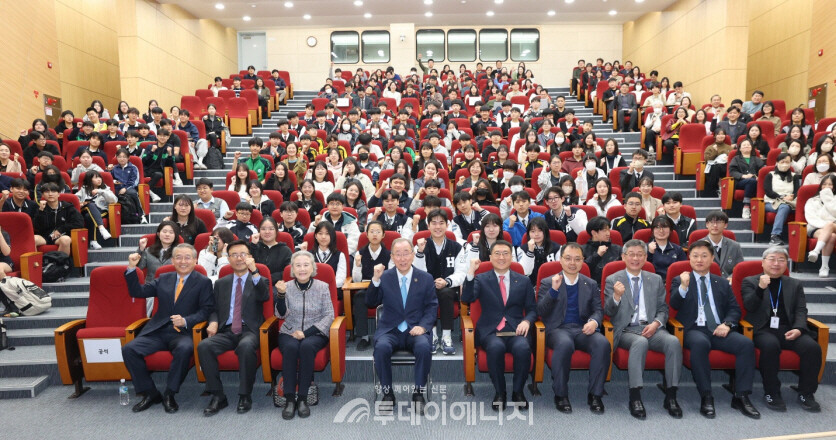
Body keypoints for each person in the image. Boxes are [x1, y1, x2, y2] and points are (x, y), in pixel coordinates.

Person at [670, 240, 760, 419]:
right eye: (695, 256)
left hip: (719, 329)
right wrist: (683, 286)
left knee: (746, 345)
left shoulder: (722, 282)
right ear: (689, 258)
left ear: (712, 259)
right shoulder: (680, 279)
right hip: (693, 329)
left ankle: (741, 396)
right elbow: (674, 303)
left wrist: (727, 324)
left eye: (704, 256)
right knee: (700, 344)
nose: (699, 260)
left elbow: (734, 309)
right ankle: (706, 396)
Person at [122, 245, 214, 413]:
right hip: (158, 330)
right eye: (178, 257)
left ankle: (169, 393)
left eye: (187, 257)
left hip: (183, 333)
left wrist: (186, 321)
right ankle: (150, 393)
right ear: (172, 260)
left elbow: (206, 310)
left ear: (195, 261)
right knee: (129, 349)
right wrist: (131, 268)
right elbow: (138, 291)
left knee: (185, 349)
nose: (183, 261)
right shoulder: (163, 278)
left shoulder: (203, 282)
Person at [604, 239, 683, 419]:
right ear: (623, 257)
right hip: (626, 330)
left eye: (640, 255)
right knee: (640, 342)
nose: (635, 258)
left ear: (646, 257)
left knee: (673, 342)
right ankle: (635, 397)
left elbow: (663, 309)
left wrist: (656, 324)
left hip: (652, 328)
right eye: (631, 254)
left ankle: (671, 396)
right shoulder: (613, 279)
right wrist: (616, 296)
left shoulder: (655, 279)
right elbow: (608, 311)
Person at [742, 246, 823, 412]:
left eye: (781, 260)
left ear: (786, 264)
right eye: (772, 259)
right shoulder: (750, 281)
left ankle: (806, 393)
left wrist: (799, 328)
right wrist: (760, 288)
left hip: (788, 328)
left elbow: (801, 310)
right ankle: (772, 392)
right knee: (770, 346)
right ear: (763, 262)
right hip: (762, 329)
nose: (776, 263)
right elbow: (750, 306)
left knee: (812, 348)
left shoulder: (794, 284)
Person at [197, 239, 269, 416]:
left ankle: (245, 395)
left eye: (243, 254)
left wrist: (254, 271)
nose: (239, 258)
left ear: (250, 257)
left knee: (245, 346)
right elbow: (213, 309)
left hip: (249, 330)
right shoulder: (221, 283)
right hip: (226, 330)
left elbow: (264, 296)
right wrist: (213, 321)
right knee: (204, 346)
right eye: (234, 255)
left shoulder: (259, 280)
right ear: (228, 259)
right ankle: (218, 395)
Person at [462, 241, 536, 411]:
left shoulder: (523, 280)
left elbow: (532, 309)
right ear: (490, 257)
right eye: (497, 253)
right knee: (495, 348)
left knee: (523, 348)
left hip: (516, 329)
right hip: (491, 330)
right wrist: (471, 272)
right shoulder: (481, 279)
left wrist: (527, 321)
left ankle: (518, 392)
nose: (501, 257)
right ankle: (500, 392)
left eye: (505, 253)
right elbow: (467, 298)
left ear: (511, 257)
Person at [367, 238, 437, 415]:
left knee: (423, 346)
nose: (402, 258)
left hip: (416, 329)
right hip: (390, 329)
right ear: (392, 257)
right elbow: (371, 302)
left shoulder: (426, 278)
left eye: (406, 253)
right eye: (398, 254)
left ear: (413, 255)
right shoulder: (385, 277)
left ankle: (418, 394)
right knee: (381, 348)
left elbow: (432, 307)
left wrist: (423, 327)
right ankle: (388, 394)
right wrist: (375, 279)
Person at [536, 242, 609, 413]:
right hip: (557, 330)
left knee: (602, 343)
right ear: (560, 260)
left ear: (583, 261)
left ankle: (595, 395)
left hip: (582, 329)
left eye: (577, 259)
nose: (572, 263)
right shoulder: (548, 282)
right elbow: (540, 311)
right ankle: (561, 395)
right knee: (565, 344)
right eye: (568, 258)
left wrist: (594, 322)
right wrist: (553, 291)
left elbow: (598, 310)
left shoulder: (590, 283)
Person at [273, 251, 334, 419]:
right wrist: (281, 295)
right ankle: (289, 399)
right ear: (292, 269)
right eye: (298, 265)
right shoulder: (286, 286)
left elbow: (329, 315)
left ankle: (302, 398)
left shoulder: (322, 287)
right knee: (291, 348)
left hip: (315, 332)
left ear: (312, 268)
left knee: (306, 346)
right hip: (289, 331)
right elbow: (280, 314)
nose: (302, 269)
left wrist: (306, 333)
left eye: (306, 265)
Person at [414, 210, 467, 355]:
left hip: (449, 288)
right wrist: (420, 253)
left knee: (445, 293)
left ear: (447, 225)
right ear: (428, 225)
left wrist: (447, 281)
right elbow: (416, 272)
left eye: (441, 223)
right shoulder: (420, 246)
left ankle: (446, 336)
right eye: (434, 223)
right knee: (429, 294)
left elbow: (462, 273)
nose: (438, 227)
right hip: (426, 288)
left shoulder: (456, 247)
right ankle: (432, 335)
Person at [33, 183, 82, 257]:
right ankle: (35, 263)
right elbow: (37, 226)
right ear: (43, 195)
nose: (50, 194)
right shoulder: (40, 208)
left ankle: (60, 264)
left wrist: (61, 230)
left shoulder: (68, 207)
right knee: (33, 239)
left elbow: (79, 223)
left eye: (53, 191)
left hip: (62, 236)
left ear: (58, 194)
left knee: (65, 240)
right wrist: (41, 211)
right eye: (47, 192)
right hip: (45, 236)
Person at [763, 153, 800, 246]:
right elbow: (768, 191)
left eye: (787, 162)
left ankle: (800, 237)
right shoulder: (770, 175)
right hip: (771, 202)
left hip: (790, 202)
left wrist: (792, 197)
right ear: (777, 162)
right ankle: (775, 236)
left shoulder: (794, 176)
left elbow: (797, 191)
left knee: (786, 206)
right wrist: (782, 197)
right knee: (784, 207)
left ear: (790, 163)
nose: (785, 164)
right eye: (782, 162)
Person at [75, 170, 116, 249]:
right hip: (85, 209)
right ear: (90, 180)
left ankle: (93, 241)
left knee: (88, 216)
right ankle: (101, 228)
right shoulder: (84, 189)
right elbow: (75, 198)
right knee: (90, 204)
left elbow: (114, 200)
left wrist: (100, 191)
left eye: (99, 177)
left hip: (101, 210)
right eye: (96, 178)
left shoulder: (105, 189)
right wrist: (80, 203)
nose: (99, 179)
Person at [728, 139, 764, 219]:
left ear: (752, 148)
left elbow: (763, 170)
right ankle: (746, 206)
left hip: (755, 181)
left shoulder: (756, 159)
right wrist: (743, 176)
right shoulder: (736, 159)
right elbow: (732, 172)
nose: (746, 146)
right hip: (740, 181)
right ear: (740, 148)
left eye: (748, 145)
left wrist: (759, 177)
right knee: (751, 181)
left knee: (752, 181)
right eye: (744, 145)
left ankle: (748, 206)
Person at [703, 210, 743, 280]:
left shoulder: (735, 246)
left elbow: (740, 268)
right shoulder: (699, 245)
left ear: (725, 225)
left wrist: (732, 278)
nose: (715, 225)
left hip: (729, 282)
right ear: (707, 224)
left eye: (718, 222)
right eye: (712, 222)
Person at [583, 216, 622, 285]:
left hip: (614, 286)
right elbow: (582, 269)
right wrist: (597, 255)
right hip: (591, 286)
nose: (608, 233)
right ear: (594, 233)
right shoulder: (582, 250)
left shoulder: (618, 249)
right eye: (604, 230)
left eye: (608, 230)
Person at [646, 216, 687, 281]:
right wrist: (650, 253)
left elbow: (684, 270)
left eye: (665, 227)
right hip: (651, 283)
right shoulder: (644, 248)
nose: (661, 231)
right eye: (657, 227)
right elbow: (642, 269)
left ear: (670, 230)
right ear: (652, 230)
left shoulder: (678, 249)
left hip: (673, 283)